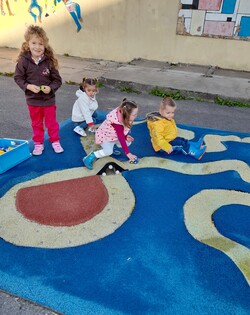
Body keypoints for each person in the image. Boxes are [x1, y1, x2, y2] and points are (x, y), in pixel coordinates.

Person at [14, 25, 64, 156]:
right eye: (34, 43)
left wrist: (50, 88)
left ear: (45, 45)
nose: (37, 47)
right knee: (36, 123)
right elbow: (18, 77)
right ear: (27, 44)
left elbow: (57, 80)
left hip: (48, 100)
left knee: (51, 123)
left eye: (41, 44)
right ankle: (38, 143)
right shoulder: (23, 61)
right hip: (33, 101)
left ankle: (55, 141)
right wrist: (28, 86)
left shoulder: (49, 61)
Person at [83, 98, 138, 170]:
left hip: (113, 136)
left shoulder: (123, 114)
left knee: (128, 142)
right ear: (126, 114)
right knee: (108, 151)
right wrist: (128, 154)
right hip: (105, 136)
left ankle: (112, 146)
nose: (136, 116)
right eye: (134, 115)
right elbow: (120, 137)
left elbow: (122, 133)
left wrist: (126, 136)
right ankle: (90, 157)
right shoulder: (117, 123)